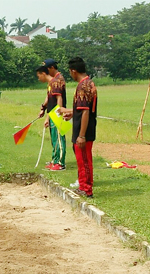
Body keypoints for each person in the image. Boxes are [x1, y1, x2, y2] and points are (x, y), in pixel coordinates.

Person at [60, 57, 97, 198]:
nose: (70, 75)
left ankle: (86, 189)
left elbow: (86, 111)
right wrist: (72, 114)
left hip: (84, 130)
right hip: (83, 127)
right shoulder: (89, 83)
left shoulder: (82, 86)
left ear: (74, 71)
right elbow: (81, 110)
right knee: (81, 160)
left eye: (70, 72)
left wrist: (81, 135)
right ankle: (82, 186)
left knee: (85, 160)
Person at [38, 59, 67, 171]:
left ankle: (60, 163)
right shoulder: (52, 81)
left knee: (59, 139)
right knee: (54, 139)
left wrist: (58, 113)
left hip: (58, 114)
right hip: (52, 112)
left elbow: (58, 99)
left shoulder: (58, 80)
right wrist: (43, 108)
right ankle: (55, 160)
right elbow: (49, 97)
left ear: (51, 68)